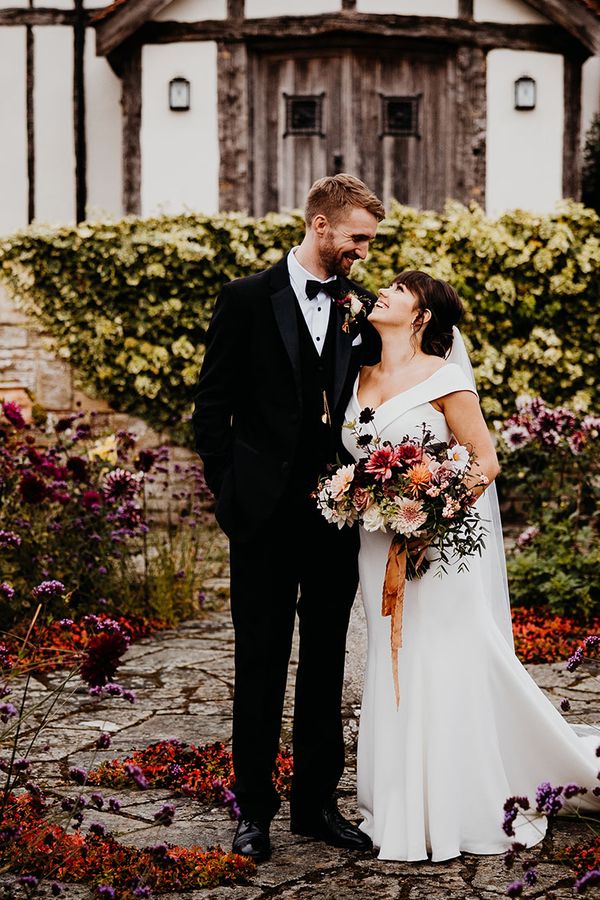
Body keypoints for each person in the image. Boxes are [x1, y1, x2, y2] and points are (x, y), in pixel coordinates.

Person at [342, 270, 600, 862]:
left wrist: (432, 513)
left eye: (400, 289)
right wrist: (356, 497)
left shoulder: (446, 378)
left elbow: (484, 461)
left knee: (442, 660)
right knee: (392, 661)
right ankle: (400, 804)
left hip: (437, 548)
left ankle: (456, 804)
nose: (385, 291)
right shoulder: (356, 376)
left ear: (422, 315)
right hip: (376, 544)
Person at [192, 174, 385, 861]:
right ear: (320, 225)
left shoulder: (362, 307)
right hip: (261, 517)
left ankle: (315, 806)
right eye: (357, 237)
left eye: (370, 240)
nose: (364, 250)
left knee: (326, 662)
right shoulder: (246, 298)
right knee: (260, 662)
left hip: (335, 514)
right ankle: (253, 811)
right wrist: (230, 495)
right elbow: (211, 407)